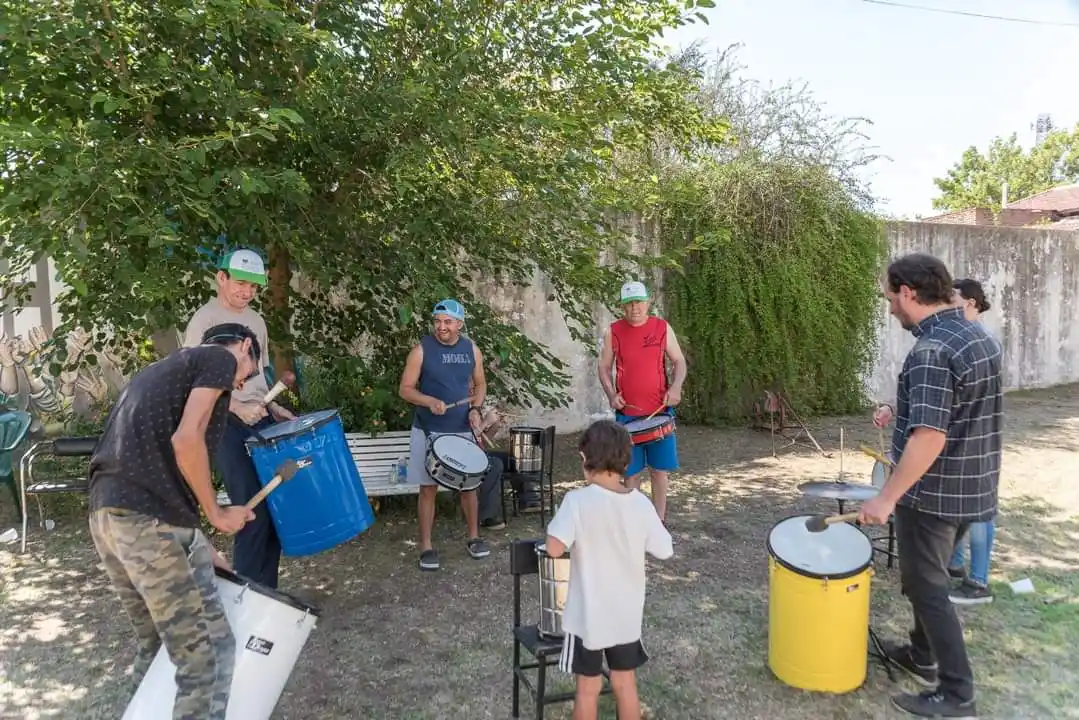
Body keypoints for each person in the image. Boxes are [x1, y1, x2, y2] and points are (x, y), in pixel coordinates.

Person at [87, 323, 262, 719]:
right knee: (203, 660)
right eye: (247, 374)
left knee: (159, 650)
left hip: (109, 514)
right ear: (245, 347)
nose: (238, 385)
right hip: (147, 521)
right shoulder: (220, 358)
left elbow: (160, 468)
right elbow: (186, 442)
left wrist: (199, 542)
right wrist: (216, 513)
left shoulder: (166, 370)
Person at [861, 253, 1002, 719]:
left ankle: (957, 692)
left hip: (933, 496)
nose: (890, 309)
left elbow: (929, 436)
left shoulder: (930, 351)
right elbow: (955, 413)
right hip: (974, 490)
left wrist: (886, 497)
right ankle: (922, 654)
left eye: (890, 298)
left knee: (927, 589)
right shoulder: (976, 337)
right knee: (930, 579)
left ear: (907, 292)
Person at [182, 248, 294, 590]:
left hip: (257, 417)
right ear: (222, 278)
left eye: (253, 287)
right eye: (241, 283)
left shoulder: (257, 321)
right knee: (249, 510)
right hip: (222, 423)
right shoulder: (204, 321)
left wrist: (270, 406)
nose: (247, 292)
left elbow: (257, 377)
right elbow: (191, 383)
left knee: (274, 507)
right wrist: (234, 408)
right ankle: (245, 592)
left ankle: (268, 594)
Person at [545, 419, 673, 720]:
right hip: (626, 614)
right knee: (625, 684)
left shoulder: (576, 501)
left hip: (586, 617)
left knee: (587, 690)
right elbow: (665, 549)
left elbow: (553, 548)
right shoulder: (640, 504)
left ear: (583, 459)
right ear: (627, 460)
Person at [398, 299, 504, 571]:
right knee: (428, 489)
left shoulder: (472, 350)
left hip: (461, 428)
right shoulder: (421, 351)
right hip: (428, 428)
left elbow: (479, 385)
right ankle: (426, 547)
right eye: (437, 321)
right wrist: (429, 401)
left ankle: (474, 538)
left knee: (468, 487)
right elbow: (406, 389)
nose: (441, 326)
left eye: (447, 322)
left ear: (459, 324)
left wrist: (476, 409)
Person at [597, 280, 688, 523]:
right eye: (628, 303)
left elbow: (679, 361)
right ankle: (634, 523)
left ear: (648, 302)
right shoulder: (614, 331)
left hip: (659, 412)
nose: (634, 307)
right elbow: (604, 367)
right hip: (627, 415)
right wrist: (611, 394)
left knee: (659, 472)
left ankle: (659, 522)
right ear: (622, 307)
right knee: (631, 473)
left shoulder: (661, 327)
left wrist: (676, 387)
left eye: (638, 301)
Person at [945, 279, 997, 605]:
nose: (949, 305)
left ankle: (978, 583)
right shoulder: (958, 341)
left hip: (977, 439)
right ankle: (954, 564)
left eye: (954, 299)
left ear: (972, 303)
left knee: (979, 512)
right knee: (959, 507)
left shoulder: (986, 344)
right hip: (959, 439)